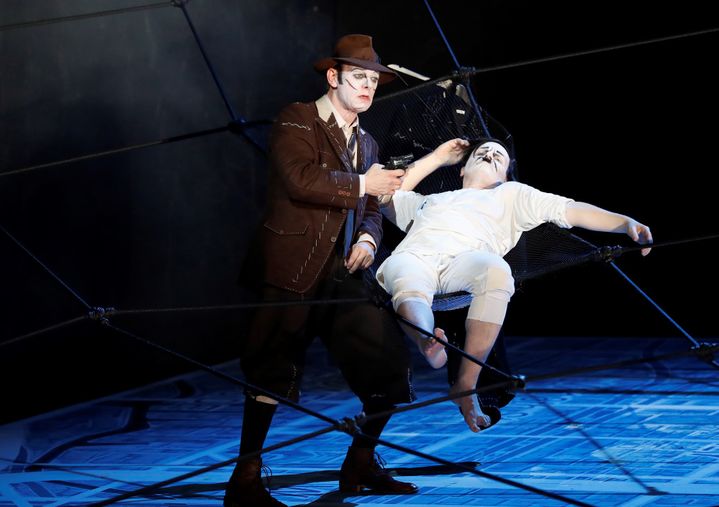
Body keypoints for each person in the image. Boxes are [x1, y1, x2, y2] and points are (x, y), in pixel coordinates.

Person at [224, 34, 418, 507]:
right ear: (333, 78)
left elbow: (371, 205)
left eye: (373, 80)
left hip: (343, 272)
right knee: (272, 367)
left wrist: (370, 239)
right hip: (293, 265)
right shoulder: (299, 119)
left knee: (388, 365)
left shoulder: (367, 141)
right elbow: (299, 179)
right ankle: (245, 479)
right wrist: (361, 182)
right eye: (359, 78)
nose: (368, 87)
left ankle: (360, 462)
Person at [376, 137, 653, 433]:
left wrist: (624, 223)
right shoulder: (431, 201)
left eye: (499, 156)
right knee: (406, 275)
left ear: (506, 175)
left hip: (468, 261)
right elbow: (384, 195)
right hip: (418, 256)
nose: (490, 154)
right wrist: (438, 157)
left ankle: (466, 383)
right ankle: (427, 341)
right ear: (462, 169)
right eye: (482, 152)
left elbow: (571, 210)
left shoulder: (511, 194)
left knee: (498, 271)